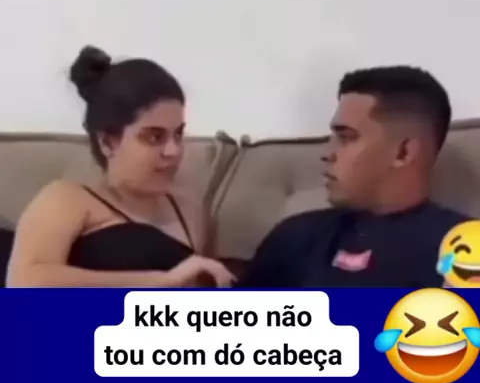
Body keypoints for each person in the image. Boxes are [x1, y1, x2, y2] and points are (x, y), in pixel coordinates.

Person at [7, 46, 234, 288]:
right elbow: (24, 284)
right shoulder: (68, 200)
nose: (173, 151)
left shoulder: (191, 212)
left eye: (178, 134)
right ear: (107, 142)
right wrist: (161, 281)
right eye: (154, 137)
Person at [239, 66, 467, 288]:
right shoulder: (296, 234)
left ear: (403, 152)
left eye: (346, 137)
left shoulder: (463, 248)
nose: (327, 153)